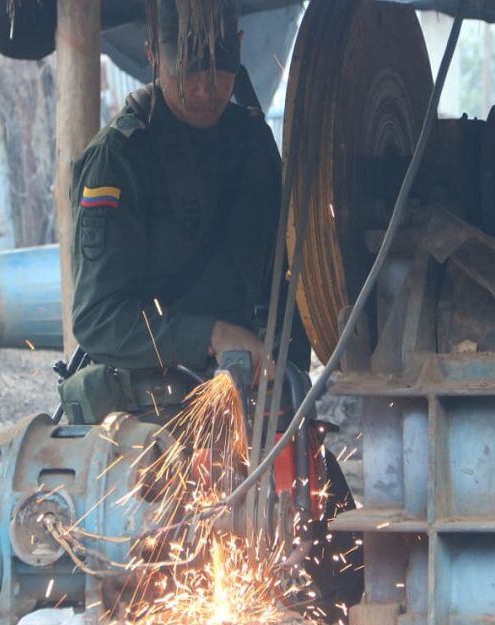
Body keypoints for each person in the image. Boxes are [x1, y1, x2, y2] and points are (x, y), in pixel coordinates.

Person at [62, 0, 362, 619]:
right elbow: (96, 319)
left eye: (219, 70)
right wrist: (209, 335)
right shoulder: (120, 159)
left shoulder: (250, 140)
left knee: (341, 562)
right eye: (187, 69)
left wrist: (285, 375)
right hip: (156, 409)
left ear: (240, 51)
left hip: (254, 398)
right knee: (168, 577)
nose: (204, 88)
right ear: (154, 54)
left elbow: (290, 267)